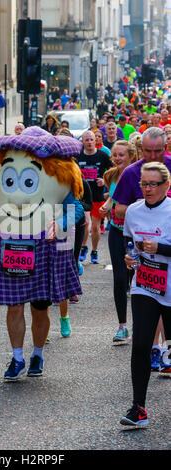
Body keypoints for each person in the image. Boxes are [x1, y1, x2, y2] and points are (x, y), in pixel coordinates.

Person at [0, 126, 83, 380]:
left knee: (40, 309)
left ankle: (37, 354)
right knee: (13, 307)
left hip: (45, 247)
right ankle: (17, 358)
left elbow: (75, 208)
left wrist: (61, 224)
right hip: (8, 246)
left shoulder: (57, 172)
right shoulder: (1, 165)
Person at [113, 127, 171, 369]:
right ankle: (157, 349)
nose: (153, 156)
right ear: (141, 150)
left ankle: (163, 348)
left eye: (158, 151)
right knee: (151, 294)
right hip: (145, 251)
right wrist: (142, 207)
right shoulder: (131, 173)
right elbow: (118, 209)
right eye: (148, 151)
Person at [120, 162, 171, 427]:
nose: (147, 189)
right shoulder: (133, 211)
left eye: (153, 184)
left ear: (166, 186)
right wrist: (130, 258)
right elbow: (129, 243)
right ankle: (137, 408)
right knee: (140, 345)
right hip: (145, 284)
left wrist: (160, 247)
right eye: (144, 184)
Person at [99, 141, 138, 343]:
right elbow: (113, 198)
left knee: (135, 278)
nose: (117, 158)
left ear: (132, 155)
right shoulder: (112, 175)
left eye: (121, 155)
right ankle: (122, 326)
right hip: (116, 230)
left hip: (134, 235)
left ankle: (142, 324)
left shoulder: (137, 175)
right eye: (115, 154)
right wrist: (106, 206)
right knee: (119, 277)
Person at [77, 131, 113, 264]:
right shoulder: (78, 156)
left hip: (97, 195)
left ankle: (94, 251)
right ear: (83, 142)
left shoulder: (103, 156)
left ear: (95, 141)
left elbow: (112, 172)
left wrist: (104, 181)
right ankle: (83, 247)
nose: (89, 142)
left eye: (91, 139)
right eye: (86, 140)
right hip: (83, 195)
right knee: (85, 223)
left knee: (96, 227)